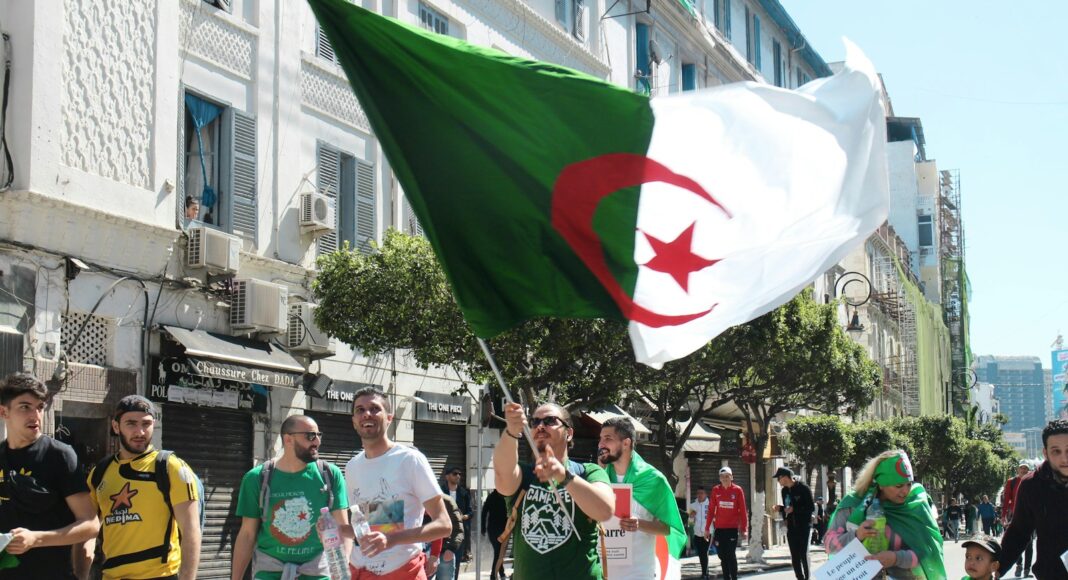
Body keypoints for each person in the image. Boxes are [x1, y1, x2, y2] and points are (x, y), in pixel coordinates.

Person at [493, 402, 614, 579]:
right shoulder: (524, 475)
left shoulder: (589, 472)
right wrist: (511, 431)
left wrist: (563, 476)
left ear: (569, 433)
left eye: (550, 421)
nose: (540, 426)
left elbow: (604, 510)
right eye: (535, 422)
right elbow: (502, 476)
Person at [86, 395, 201, 580]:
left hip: (160, 575)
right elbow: (88, 530)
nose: (140, 432)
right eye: (131, 423)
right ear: (116, 427)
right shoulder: (99, 473)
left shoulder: (171, 467)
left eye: (146, 424)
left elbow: (191, 530)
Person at [343, 387, 451, 579]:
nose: (367, 413)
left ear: (389, 418)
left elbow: (444, 524)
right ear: (353, 421)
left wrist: (391, 540)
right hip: (359, 571)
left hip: (402, 571)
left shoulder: (410, 459)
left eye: (375, 408)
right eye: (360, 409)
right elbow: (367, 526)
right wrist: (333, 530)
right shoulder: (352, 467)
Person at [0, 373, 99, 579]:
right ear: (4, 412)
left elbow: (90, 524)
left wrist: (36, 539)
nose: (35, 415)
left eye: (40, 407)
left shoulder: (59, 455)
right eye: (25, 407)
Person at [231, 414, 350, 579]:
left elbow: (343, 528)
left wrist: (343, 574)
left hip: (317, 572)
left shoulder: (330, 475)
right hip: (269, 572)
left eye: (318, 435)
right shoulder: (256, 478)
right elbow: (247, 535)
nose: (317, 442)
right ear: (288, 439)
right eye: (310, 436)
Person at [824, 450, 946, 579]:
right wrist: (857, 535)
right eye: (898, 486)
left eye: (908, 484)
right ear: (881, 484)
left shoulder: (916, 504)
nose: (905, 491)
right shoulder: (854, 505)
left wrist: (896, 558)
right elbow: (829, 545)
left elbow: (929, 552)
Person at [597, 417, 686, 579]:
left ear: (626, 443)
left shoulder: (653, 480)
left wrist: (638, 524)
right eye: (601, 439)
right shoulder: (599, 477)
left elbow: (667, 528)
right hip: (603, 573)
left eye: (608, 439)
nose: (601, 444)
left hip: (638, 573)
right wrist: (597, 476)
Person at [998, 419, 1068, 580]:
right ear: (1045, 453)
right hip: (1051, 575)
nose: (1064, 459)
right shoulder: (1032, 485)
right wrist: (996, 568)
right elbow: (1019, 532)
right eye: (1056, 451)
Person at [703, 467, 748, 580]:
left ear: (731, 477)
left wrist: (744, 529)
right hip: (719, 529)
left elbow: (743, 510)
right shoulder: (716, 490)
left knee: (730, 555)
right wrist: (707, 528)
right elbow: (711, 510)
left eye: (727, 476)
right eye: (723, 477)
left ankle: (734, 577)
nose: (725, 479)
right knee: (722, 556)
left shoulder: (737, 490)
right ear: (720, 478)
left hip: (732, 529)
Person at [773, 467, 815, 580]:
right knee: (794, 555)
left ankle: (807, 577)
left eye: (779, 478)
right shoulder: (784, 491)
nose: (778, 481)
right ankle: (799, 577)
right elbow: (787, 508)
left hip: (803, 526)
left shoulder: (803, 488)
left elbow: (810, 507)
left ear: (785, 477)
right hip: (791, 527)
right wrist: (781, 509)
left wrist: (794, 509)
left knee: (803, 554)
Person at [1001, 462, 1034, 577]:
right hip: (1015, 516)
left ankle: (1027, 569)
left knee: (1029, 543)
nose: (1023, 470)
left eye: (1026, 468)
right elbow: (1006, 500)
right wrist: (1003, 515)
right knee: (1017, 540)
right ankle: (1019, 565)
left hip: (1030, 516)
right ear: (1018, 470)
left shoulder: (1032, 481)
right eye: (1021, 468)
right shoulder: (1011, 482)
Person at [439, 466, 472, 567]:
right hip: (443, 531)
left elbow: (470, 512)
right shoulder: (440, 492)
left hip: (458, 533)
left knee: (457, 562)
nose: (458, 476)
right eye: (454, 473)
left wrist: (464, 517)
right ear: (447, 476)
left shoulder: (464, 493)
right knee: (442, 562)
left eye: (459, 474)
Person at [428, 494, 465, 580]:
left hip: (444, 553)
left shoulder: (447, 501)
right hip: (423, 554)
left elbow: (458, 528)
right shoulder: (415, 501)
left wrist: (451, 549)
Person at [480, 490, 508, 580]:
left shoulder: (506, 495)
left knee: (499, 552)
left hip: (502, 529)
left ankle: (501, 573)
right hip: (494, 529)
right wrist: (483, 527)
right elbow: (484, 511)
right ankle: (493, 575)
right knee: (498, 552)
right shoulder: (492, 497)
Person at [688, 486, 711, 580]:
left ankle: (705, 573)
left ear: (705, 494)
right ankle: (705, 572)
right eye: (698, 493)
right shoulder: (692, 505)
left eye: (702, 493)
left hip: (708, 533)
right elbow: (690, 523)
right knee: (701, 554)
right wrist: (691, 517)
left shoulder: (711, 505)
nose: (699, 495)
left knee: (704, 553)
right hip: (697, 534)